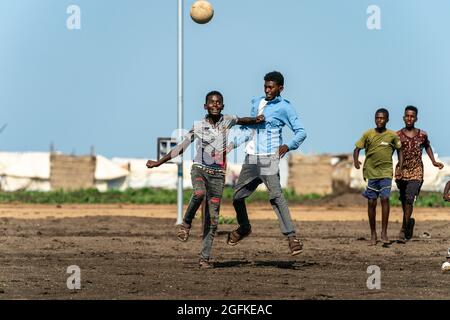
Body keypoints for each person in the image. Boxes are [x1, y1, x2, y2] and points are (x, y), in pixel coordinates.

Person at [146, 91, 264, 268]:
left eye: (218, 103)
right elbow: (181, 147)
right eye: (211, 102)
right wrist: (159, 162)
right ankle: (186, 224)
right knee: (199, 193)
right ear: (205, 106)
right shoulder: (198, 125)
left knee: (213, 219)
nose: (215, 105)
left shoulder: (228, 120)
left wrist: (256, 120)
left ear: (222, 106)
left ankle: (204, 258)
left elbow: (243, 120)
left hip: (218, 175)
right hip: (200, 170)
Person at [226, 71, 307, 256]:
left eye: (271, 87)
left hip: (269, 157)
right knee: (237, 197)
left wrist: (288, 145)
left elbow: (301, 132)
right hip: (251, 158)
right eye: (265, 86)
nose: (267, 90)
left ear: (281, 88)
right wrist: (232, 144)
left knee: (276, 196)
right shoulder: (256, 102)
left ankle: (292, 237)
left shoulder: (285, 107)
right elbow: (249, 130)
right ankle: (244, 227)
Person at [353, 108, 403, 245]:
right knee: (371, 202)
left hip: (386, 172)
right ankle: (373, 234)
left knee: (385, 198)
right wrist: (356, 160)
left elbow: (400, 150)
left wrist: (400, 166)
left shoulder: (392, 135)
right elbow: (357, 148)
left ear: (387, 119)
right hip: (371, 172)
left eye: (382, 118)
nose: (379, 120)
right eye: (377, 118)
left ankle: (384, 233)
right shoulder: (368, 134)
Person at [395, 106, 444, 243]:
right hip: (402, 170)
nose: (409, 118)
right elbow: (391, 150)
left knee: (410, 198)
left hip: (417, 170)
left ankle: (404, 228)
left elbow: (427, 146)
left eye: (412, 116)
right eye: (407, 116)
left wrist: (434, 161)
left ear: (416, 118)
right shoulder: (397, 135)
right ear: (403, 117)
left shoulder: (422, 135)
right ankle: (409, 222)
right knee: (404, 200)